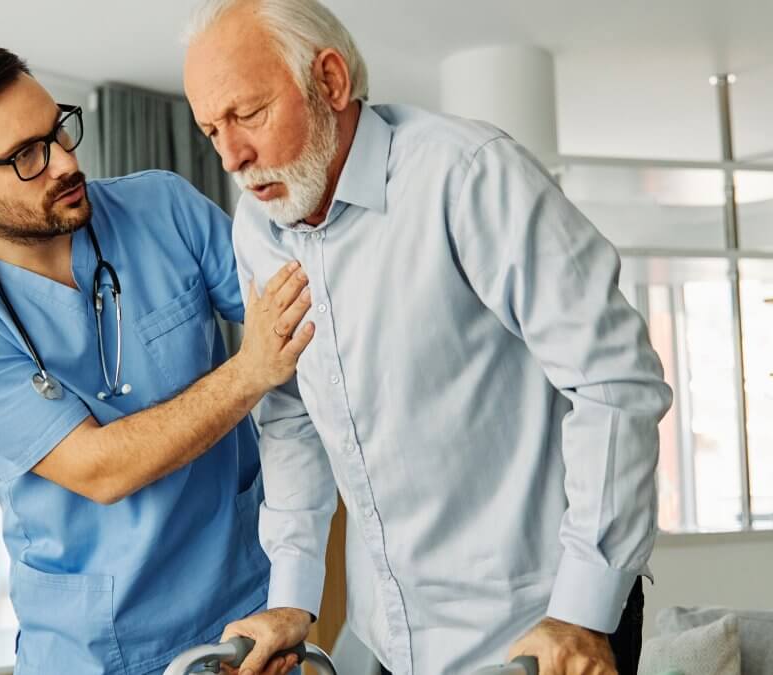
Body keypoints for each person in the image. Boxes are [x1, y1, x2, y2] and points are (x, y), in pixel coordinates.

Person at [181, 2, 674, 674]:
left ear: (329, 81)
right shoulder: (258, 230)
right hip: (389, 642)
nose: (232, 155)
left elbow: (616, 381)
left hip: (537, 637)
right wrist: (293, 597)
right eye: (211, 130)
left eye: (249, 114)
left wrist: (582, 612)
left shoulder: (466, 174)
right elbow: (292, 415)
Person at [0, 47, 317, 675]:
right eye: (25, 156)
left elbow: (302, 326)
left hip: (241, 608)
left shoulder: (164, 208)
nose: (66, 162)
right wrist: (250, 369)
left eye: (57, 130)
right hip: (94, 645)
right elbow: (99, 470)